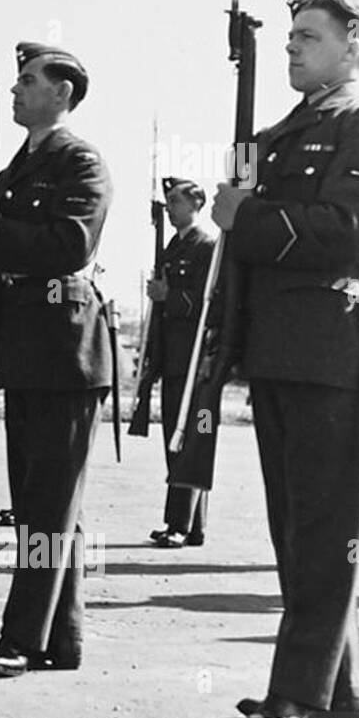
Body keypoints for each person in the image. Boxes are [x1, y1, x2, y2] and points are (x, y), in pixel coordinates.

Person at [219, 0, 359, 718]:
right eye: (288, 37)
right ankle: (339, 695)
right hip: (279, 352)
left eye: (308, 36)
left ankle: (295, 696)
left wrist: (245, 216)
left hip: (330, 354)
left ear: (354, 44)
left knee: (325, 534)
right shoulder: (279, 134)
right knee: (299, 534)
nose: (292, 48)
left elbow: (345, 229)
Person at [0, 42, 112, 677]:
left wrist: (0, 233)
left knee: (47, 507)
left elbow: (72, 244)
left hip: (65, 351)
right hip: (29, 348)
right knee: (44, 507)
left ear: (63, 93)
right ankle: (61, 637)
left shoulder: (78, 161)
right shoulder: (15, 169)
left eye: (29, 81)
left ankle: (20, 638)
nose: (17, 90)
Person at [143, 177, 214, 548]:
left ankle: (179, 524)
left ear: (195, 204)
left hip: (192, 359)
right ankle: (192, 525)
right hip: (172, 358)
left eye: (175, 201)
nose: (169, 207)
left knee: (186, 442)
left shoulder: (206, 246)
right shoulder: (173, 246)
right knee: (177, 441)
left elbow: (206, 301)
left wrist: (170, 295)